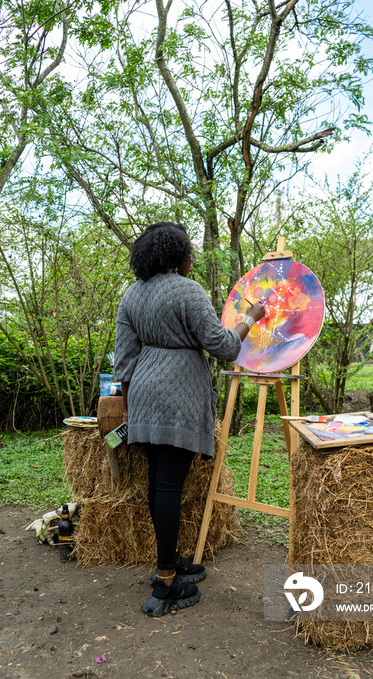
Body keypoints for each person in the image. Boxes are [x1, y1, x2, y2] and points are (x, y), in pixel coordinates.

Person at [114, 221, 264, 617]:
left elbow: (124, 362)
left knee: (158, 482)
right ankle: (166, 583)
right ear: (178, 256)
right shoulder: (188, 290)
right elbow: (225, 346)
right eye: (189, 252)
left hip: (143, 395)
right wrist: (251, 316)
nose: (192, 258)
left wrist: (131, 408)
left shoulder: (132, 295)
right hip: (176, 397)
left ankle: (170, 560)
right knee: (168, 485)